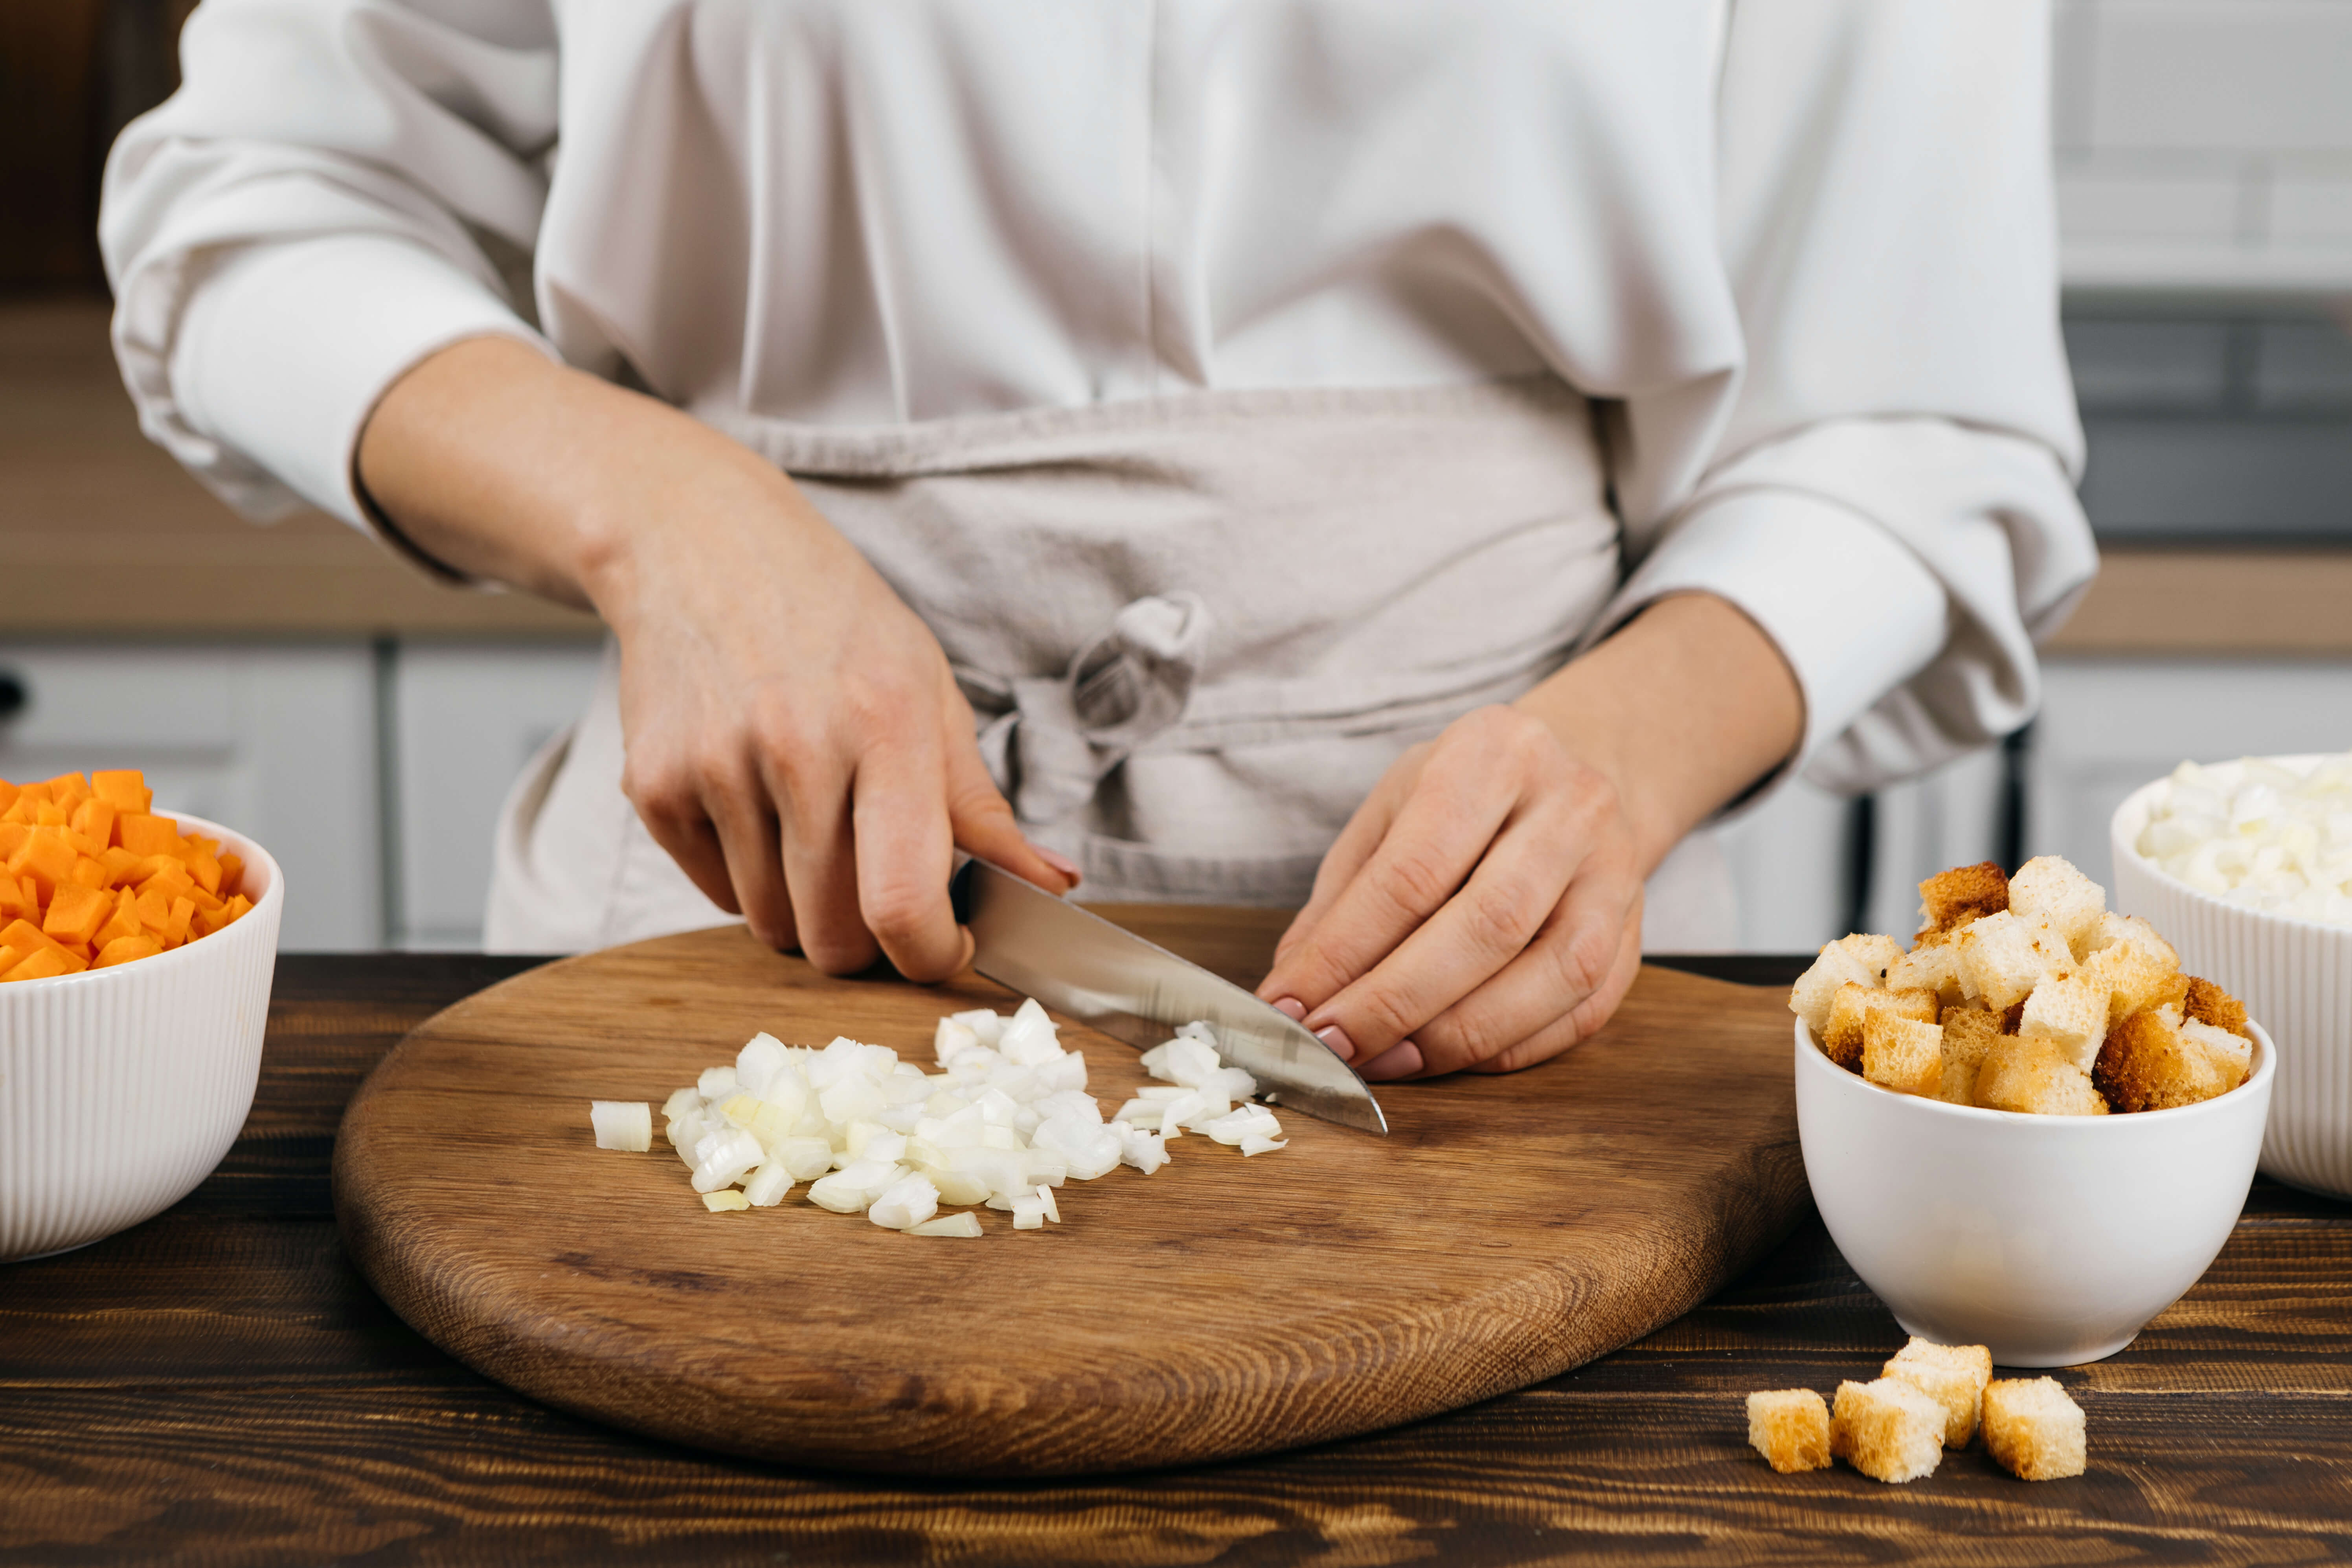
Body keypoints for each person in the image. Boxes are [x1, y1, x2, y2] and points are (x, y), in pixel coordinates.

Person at [101, 1, 2095, 1084]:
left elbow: (1907, 417)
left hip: (1523, 999)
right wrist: (672, 519)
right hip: (747, 930)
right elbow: (256, 205)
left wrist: (1617, 760)